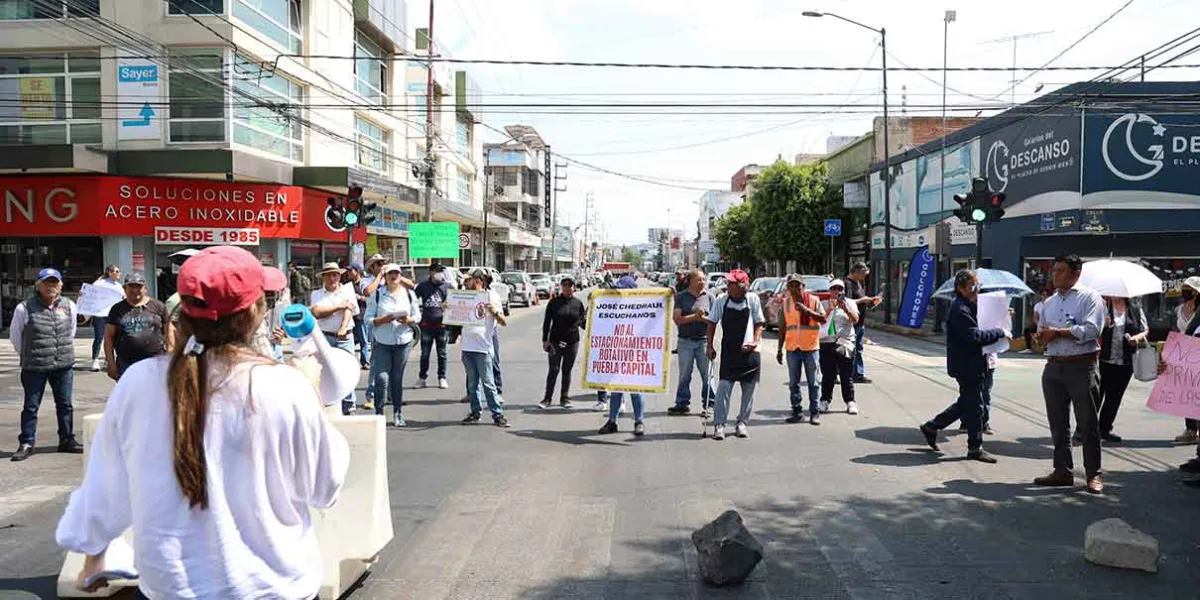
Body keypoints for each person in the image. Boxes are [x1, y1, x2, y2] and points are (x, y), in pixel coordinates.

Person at [56, 245, 349, 598]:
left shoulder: (138, 382)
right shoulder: (286, 386)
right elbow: (324, 488)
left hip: (172, 588)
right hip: (272, 586)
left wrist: (93, 557)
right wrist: (314, 391)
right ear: (256, 313)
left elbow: (105, 483)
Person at [1033, 254, 1106, 494]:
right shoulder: (1049, 303)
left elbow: (1092, 330)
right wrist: (1041, 337)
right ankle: (1062, 470)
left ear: (1076, 274)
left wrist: (1059, 333)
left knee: (1087, 424)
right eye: (1054, 270)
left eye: (1061, 270)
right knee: (1058, 424)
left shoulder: (1090, 298)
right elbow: (1044, 332)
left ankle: (1093, 474)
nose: (1055, 275)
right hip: (1053, 365)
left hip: (1081, 365)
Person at [918, 270, 1008, 464]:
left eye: (978, 286)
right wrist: (998, 332)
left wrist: (1002, 315)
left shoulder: (969, 305)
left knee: (968, 403)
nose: (976, 290)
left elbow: (982, 321)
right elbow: (974, 336)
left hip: (973, 362)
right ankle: (975, 448)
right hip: (967, 364)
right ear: (960, 288)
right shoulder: (959, 309)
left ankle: (932, 426)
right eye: (972, 287)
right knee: (975, 407)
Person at [9, 268, 82, 462]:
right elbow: (16, 337)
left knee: (65, 404)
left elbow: (70, 332)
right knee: (31, 406)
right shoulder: (24, 308)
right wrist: (28, 354)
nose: (51, 286)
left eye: (54, 282)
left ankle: (67, 440)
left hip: (63, 364)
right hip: (34, 365)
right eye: (47, 282)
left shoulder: (69, 306)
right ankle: (27, 442)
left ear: (60, 286)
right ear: (38, 286)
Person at [705, 269, 765, 440]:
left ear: (742, 286)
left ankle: (742, 423)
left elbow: (759, 322)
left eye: (731, 283)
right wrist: (709, 346)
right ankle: (719, 424)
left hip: (750, 353)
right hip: (730, 352)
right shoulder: (721, 300)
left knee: (749, 391)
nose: (727, 285)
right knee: (724, 388)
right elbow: (711, 323)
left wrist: (755, 340)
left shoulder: (752, 299)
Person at [1078, 296, 1146, 444]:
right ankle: (1083, 429)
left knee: (1114, 397)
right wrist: (1102, 325)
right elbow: (1088, 328)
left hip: (1125, 360)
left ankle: (1105, 429)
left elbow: (1144, 330)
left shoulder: (1135, 309)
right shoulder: (1102, 307)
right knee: (1095, 395)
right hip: (1102, 359)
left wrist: (1136, 338)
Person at [365, 263, 421, 428]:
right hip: (383, 342)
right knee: (381, 379)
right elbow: (368, 319)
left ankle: (398, 413)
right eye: (390, 273)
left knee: (397, 379)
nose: (393, 276)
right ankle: (379, 413)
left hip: (403, 341)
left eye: (396, 273)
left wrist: (409, 320)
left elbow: (417, 315)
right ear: (385, 276)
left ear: (400, 275)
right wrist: (382, 320)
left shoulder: (409, 294)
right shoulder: (377, 295)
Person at [460, 270, 510, 427]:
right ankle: (475, 412)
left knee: (488, 383)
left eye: (468, 280)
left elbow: (503, 321)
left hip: (483, 348)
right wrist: (447, 308)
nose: (465, 283)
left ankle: (497, 414)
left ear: (478, 281)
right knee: (472, 384)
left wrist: (493, 311)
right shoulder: (464, 297)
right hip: (467, 347)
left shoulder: (490, 296)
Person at [597, 275, 645, 435]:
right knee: (616, 388)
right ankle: (612, 421)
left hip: (633, 353)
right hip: (616, 352)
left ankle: (639, 421)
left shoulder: (640, 308)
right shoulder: (612, 306)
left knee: (635, 389)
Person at [310, 262, 360, 415]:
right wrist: (338, 307)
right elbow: (317, 312)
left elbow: (350, 310)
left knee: (346, 369)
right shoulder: (317, 294)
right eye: (330, 275)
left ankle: (349, 403)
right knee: (325, 371)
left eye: (336, 274)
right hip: (325, 336)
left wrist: (343, 327)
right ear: (324, 277)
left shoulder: (347, 290)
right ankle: (329, 401)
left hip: (344, 336)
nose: (333, 278)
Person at [777, 275, 827, 424]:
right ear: (788, 288)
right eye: (791, 286)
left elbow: (823, 319)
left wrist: (807, 311)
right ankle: (797, 411)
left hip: (810, 348)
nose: (794, 288)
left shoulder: (813, 301)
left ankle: (814, 412)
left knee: (814, 382)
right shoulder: (785, 303)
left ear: (803, 286)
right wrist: (779, 349)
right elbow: (782, 328)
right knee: (793, 383)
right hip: (793, 348)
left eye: (797, 285)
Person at [103, 271, 171, 380]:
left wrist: (171, 359)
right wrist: (111, 364)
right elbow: (108, 337)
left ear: (145, 289)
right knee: (130, 396)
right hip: (126, 363)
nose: (135, 290)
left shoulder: (158, 306)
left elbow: (169, 334)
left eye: (138, 286)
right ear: (125, 289)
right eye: (131, 286)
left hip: (155, 362)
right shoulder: (117, 309)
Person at [668, 270, 715, 417]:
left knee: (708, 375)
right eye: (699, 279)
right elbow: (677, 319)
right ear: (691, 281)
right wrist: (695, 317)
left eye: (703, 279)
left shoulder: (710, 297)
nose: (703, 282)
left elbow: (714, 321)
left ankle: (710, 404)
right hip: (685, 341)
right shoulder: (681, 297)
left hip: (704, 341)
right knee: (684, 375)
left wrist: (703, 319)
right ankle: (682, 403)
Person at [541, 275, 585, 409]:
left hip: (572, 342)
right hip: (555, 341)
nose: (567, 287)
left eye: (569, 285)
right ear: (561, 287)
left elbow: (583, 324)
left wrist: (590, 317)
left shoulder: (578, 304)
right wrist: (545, 340)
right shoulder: (554, 302)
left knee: (567, 370)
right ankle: (547, 398)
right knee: (553, 370)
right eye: (564, 285)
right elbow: (547, 322)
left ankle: (564, 398)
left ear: (574, 287)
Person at [817, 279, 860, 417]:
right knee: (828, 375)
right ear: (830, 290)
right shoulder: (823, 304)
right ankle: (824, 400)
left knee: (846, 374)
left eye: (840, 289)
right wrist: (830, 308)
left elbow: (855, 320)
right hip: (827, 341)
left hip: (844, 342)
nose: (837, 291)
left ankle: (850, 401)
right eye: (834, 288)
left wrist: (845, 308)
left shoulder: (850, 303)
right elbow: (819, 320)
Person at [414, 262, 452, 389]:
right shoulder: (423, 286)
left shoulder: (447, 287)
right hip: (426, 325)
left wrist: (448, 306)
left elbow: (455, 304)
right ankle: (422, 378)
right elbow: (412, 299)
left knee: (442, 353)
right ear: (430, 272)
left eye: (441, 271)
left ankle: (442, 377)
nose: (439, 273)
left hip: (442, 326)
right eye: (437, 271)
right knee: (425, 353)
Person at [1173, 277, 1200, 445]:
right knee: (1186, 394)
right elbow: (1176, 330)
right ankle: (1190, 429)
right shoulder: (1178, 309)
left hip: (1197, 354)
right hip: (1183, 354)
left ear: (1196, 292)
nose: (1185, 292)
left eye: (1188, 289)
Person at [844, 262, 881, 384]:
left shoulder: (858, 283)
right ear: (857, 272)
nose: (864, 277)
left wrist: (871, 301)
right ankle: (849, 373)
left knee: (858, 348)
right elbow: (847, 302)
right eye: (863, 274)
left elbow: (860, 300)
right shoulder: (847, 284)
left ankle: (857, 373)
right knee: (850, 348)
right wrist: (863, 300)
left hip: (860, 321)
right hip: (852, 322)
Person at [87, 264, 123, 372]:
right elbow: (89, 294)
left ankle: (109, 359)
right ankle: (95, 360)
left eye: (118, 271)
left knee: (113, 338)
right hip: (100, 314)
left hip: (112, 315)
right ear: (110, 272)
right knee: (99, 337)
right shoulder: (99, 283)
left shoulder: (118, 286)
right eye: (116, 271)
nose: (118, 273)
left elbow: (123, 297)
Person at [250, 274, 290, 362]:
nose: (269, 297)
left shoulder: (281, 305)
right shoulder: (250, 307)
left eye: (271, 293)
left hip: (276, 349)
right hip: (255, 353)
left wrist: (282, 333)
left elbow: (289, 331)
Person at [346, 265, 371, 370]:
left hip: (362, 315)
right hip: (351, 316)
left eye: (350, 271)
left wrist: (360, 297)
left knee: (364, 339)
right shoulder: (348, 285)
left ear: (357, 271)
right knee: (352, 339)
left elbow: (370, 298)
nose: (349, 273)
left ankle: (365, 361)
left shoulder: (364, 284)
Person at [1021, 289, 1051, 354]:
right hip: (1040, 324)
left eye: (1047, 295)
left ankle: (1046, 349)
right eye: (1043, 295)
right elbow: (1035, 318)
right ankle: (1029, 348)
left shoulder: (1052, 304)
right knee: (1027, 330)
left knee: (1047, 330)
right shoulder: (1038, 305)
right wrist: (1039, 325)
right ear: (1041, 296)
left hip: (1049, 324)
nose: (1045, 297)